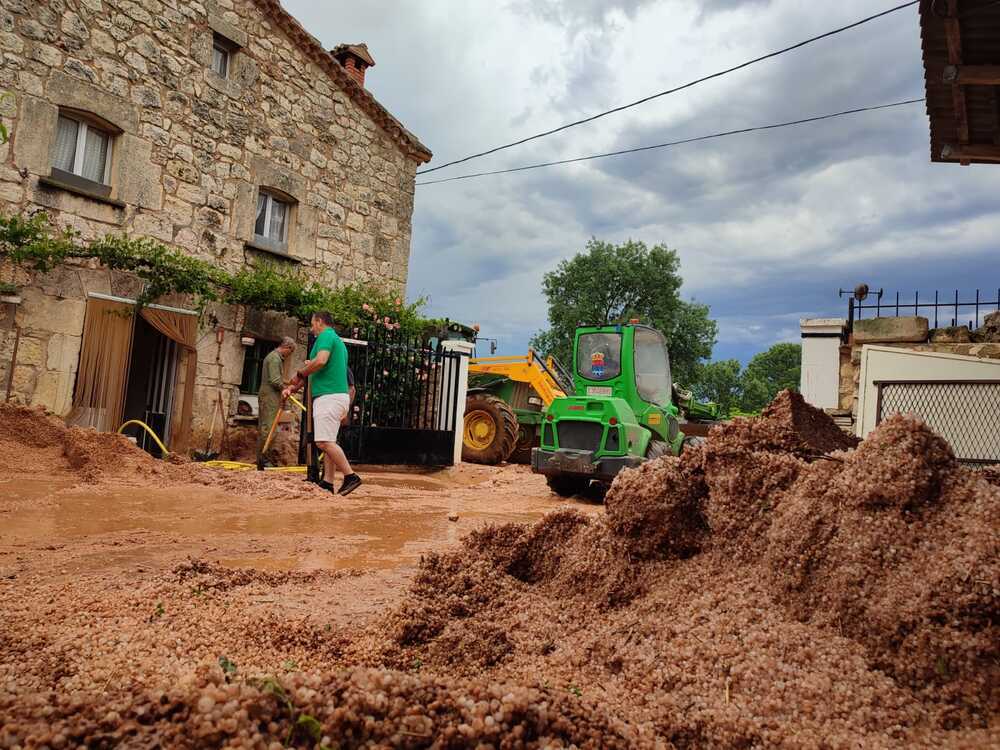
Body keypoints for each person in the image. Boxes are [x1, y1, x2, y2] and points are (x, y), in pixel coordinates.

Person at [283, 312, 362, 496]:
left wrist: (300, 373)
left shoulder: (326, 336)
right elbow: (316, 370)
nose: (312, 329)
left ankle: (351, 477)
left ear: (320, 321)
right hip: (335, 397)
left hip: (329, 397)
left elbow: (320, 361)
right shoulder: (338, 343)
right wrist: (293, 388)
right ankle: (327, 482)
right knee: (329, 442)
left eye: (313, 324)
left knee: (323, 442)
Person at [256, 336, 296, 467]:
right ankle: (263, 460)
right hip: (270, 397)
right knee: (268, 428)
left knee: (267, 427)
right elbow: (274, 380)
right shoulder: (274, 358)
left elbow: (275, 378)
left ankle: (263, 458)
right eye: (290, 352)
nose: (289, 355)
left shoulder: (273, 357)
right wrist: (285, 388)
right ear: (287, 348)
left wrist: (288, 382)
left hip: (269, 396)